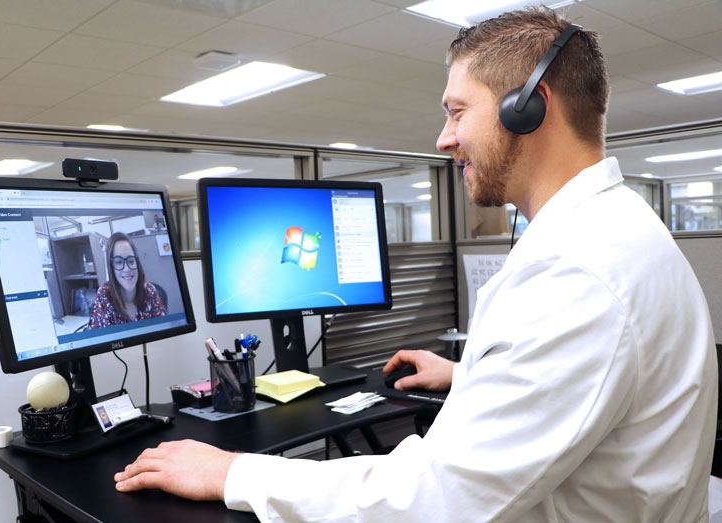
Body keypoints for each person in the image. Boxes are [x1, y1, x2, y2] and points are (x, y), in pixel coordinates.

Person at [113, 7, 718, 521]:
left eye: (457, 112)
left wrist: (235, 474)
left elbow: (436, 498)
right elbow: (590, 385)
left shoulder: (578, 272)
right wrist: (471, 376)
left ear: (529, 108)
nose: (443, 139)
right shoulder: (618, 231)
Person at [89, 232, 166, 329]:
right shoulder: (103, 296)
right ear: (111, 267)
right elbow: (102, 340)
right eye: (118, 262)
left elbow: (164, 331)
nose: (126, 269)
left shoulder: (150, 291)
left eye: (131, 261)